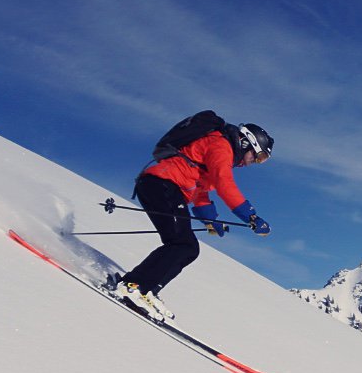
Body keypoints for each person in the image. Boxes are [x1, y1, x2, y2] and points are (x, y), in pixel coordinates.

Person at [114, 119, 273, 321]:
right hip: (161, 185)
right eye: (258, 156)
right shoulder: (221, 146)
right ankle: (133, 286)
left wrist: (210, 220)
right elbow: (225, 184)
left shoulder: (220, 152)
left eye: (261, 160)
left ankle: (147, 289)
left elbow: (200, 190)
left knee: (189, 248)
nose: (254, 162)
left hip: (167, 189)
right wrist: (250, 215)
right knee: (181, 244)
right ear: (245, 142)